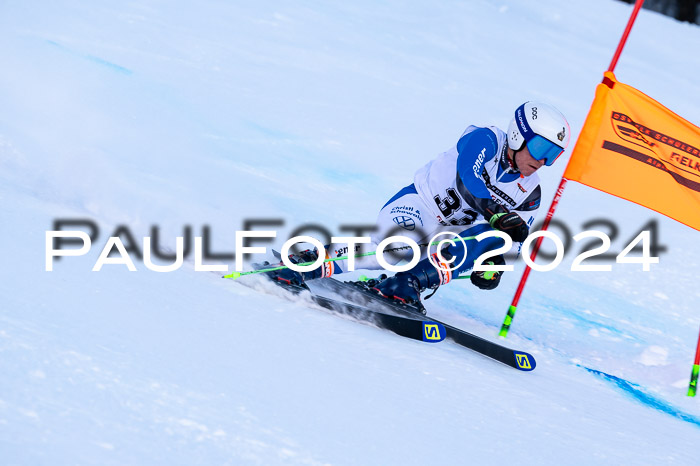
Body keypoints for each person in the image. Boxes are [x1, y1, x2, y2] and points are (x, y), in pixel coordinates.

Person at [268, 102, 571, 311]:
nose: (543, 161)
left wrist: (492, 264)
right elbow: (468, 176)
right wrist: (496, 212)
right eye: (541, 148)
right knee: (394, 250)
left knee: (494, 237)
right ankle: (307, 262)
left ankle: (406, 283)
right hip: (417, 208)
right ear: (519, 135)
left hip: (447, 241)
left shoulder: (530, 193)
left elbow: (511, 241)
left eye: (553, 154)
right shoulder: (487, 139)